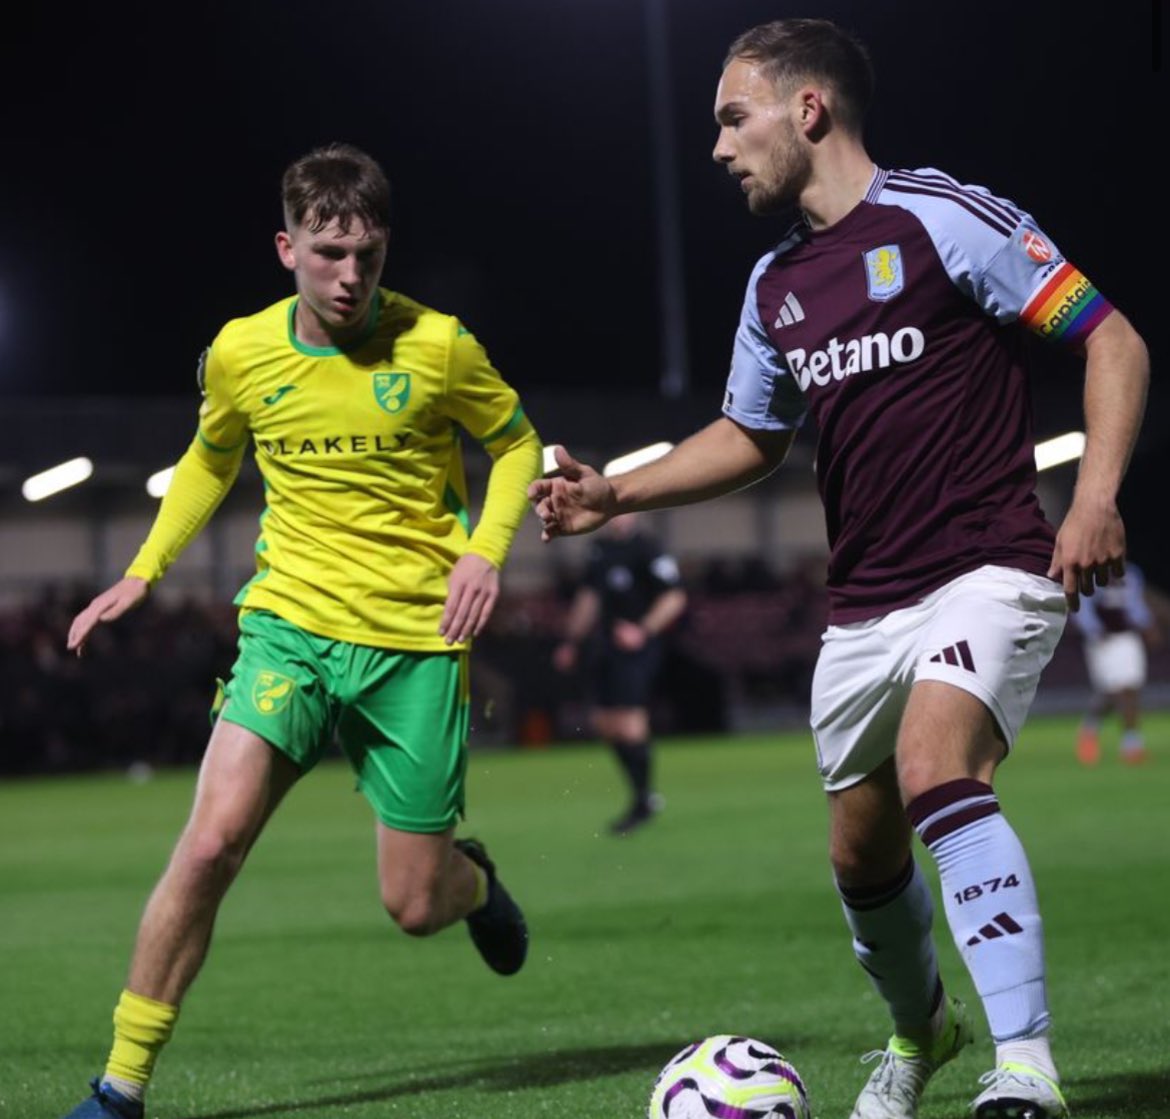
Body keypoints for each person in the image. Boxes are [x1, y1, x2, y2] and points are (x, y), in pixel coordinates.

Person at [530, 19, 1148, 1119]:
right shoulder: (776, 285)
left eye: (733, 117)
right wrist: (614, 493)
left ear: (807, 109)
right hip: (864, 603)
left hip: (989, 561)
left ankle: (1026, 1066)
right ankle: (923, 1036)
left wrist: (1095, 496)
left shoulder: (942, 219)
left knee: (937, 767)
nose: (719, 148)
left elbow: (1112, 339)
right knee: (861, 856)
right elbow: (749, 436)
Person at [61, 143, 542, 1119]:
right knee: (206, 849)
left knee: (412, 907)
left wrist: (485, 550)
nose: (351, 274)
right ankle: (118, 1090)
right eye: (329, 251)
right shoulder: (243, 353)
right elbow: (207, 461)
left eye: (367, 252)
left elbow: (519, 444)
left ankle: (474, 885)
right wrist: (140, 572)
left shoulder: (440, 345)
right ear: (288, 247)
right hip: (289, 631)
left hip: (415, 642)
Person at [552, 512, 688, 834]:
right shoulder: (599, 549)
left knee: (629, 722)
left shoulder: (649, 548)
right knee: (603, 722)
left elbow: (675, 596)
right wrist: (571, 640)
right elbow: (589, 598)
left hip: (637, 648)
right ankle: (643, 796)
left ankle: (644, 798)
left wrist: (643, 629)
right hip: (604, 647)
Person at [1071, 561, 1160, 765]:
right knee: (1110, 692)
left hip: (1127, 637)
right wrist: (1093, 629)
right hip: (1103, 640)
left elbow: (1135, 603)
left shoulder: (1131, 574)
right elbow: (1082, 607)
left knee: (1130, 688)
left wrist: (1146, 625)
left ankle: (1132, 744)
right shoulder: (1091, 575)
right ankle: (1089, 728)